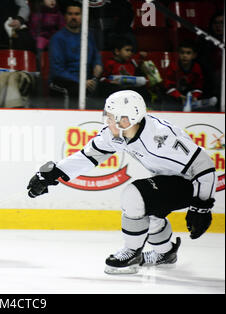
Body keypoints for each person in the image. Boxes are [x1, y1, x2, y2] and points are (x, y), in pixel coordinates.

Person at [27, 90, 216, 274]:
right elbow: (88, 156)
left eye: (111, 117)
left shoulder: (161, 137)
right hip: (169, 180)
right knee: (149, 213)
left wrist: (201, 206)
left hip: (193, 184)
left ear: (127, 119)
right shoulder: (116, 134)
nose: (106, 121)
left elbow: (204, 165)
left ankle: (132, 252)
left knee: (135, 195)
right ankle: (165, 254)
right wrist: (52, 174)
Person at [48, 3, 103, 107]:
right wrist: (81, 81)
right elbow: (57, 70)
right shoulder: (57, 38)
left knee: (107, 87)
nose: (73, 17)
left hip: (88, 80)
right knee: (77, 90)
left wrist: (98, 64)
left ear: (83, 16)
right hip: (66, 81)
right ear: (65, 16)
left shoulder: (88, 35)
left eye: (77, 14)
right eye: (70, 14)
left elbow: (96, 54)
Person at [98, 36, 150, 101]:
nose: (130, 53)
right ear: (117, 51)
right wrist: (110, 81)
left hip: (130, 91)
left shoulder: (132, 63)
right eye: (127, 50)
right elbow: (102, 79)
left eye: (131, 51)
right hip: (115, 91)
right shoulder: (110, 63)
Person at [163, 41, 204, 110]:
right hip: (175, 97)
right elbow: (167, 85)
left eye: (188, 53)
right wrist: (179, 96)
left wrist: (194, 96)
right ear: (178, 54)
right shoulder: (172, 66)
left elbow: (199, 86)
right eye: (182, 53)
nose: (185, 55)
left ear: (194, 55)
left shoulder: (197, 68)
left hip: (191, 96)